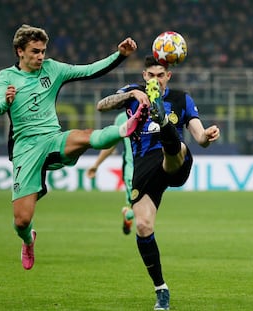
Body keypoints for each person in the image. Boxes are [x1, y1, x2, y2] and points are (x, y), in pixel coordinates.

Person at [0, 24, 146, 270]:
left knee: (83, 136)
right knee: (21, 220)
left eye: (43, 51)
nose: (41, 56)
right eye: (35, 51)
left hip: (52, 138)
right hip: (25, 149)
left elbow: (89, 70)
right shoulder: (7, 76)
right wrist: (5, 102)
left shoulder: (53, 69)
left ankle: (124, 128)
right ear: (20, 51)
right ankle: (29, 240)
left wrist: (120, 55)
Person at [96, 55, 220, 310]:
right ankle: (161, 289)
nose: (156, 79)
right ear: (144, 76)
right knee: (142, 226)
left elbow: (200, 137)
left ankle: (163, 122)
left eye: (160, 75)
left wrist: (207, 135)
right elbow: (102, 105)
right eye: (151, 75)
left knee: (174, 147)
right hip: (143, 166)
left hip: (174, 160)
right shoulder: (132, 93)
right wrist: (130, 96)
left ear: (168, 77)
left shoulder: (181, 98)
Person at [86, 112, 134, 235]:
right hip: (132, 169)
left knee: (147, 205)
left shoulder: (155, 112)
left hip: (151, 167)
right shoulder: (122, 118)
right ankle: (128, 214)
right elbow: (111, 145)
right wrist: (96, 164)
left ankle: (129, 213)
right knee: (139, 208)